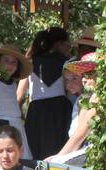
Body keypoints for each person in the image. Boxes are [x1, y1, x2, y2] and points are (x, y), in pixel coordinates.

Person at [24, 26, 75, 159]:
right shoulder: (66, 62)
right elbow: (69, 88)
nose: (69, 49)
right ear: (58, 44)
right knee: (58, 151)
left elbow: (19, 95)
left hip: (36, 111)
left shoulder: (30, 62)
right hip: (59, 108)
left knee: (36, 149)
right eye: (68, 45)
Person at [49, 54, 102, 163]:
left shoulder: (99, 99)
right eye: (83, 75)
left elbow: (81, 135)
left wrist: (58, 157)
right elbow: (79, 132)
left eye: (89, 74)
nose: (84, 80)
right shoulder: (86, 98)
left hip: (94, 156)